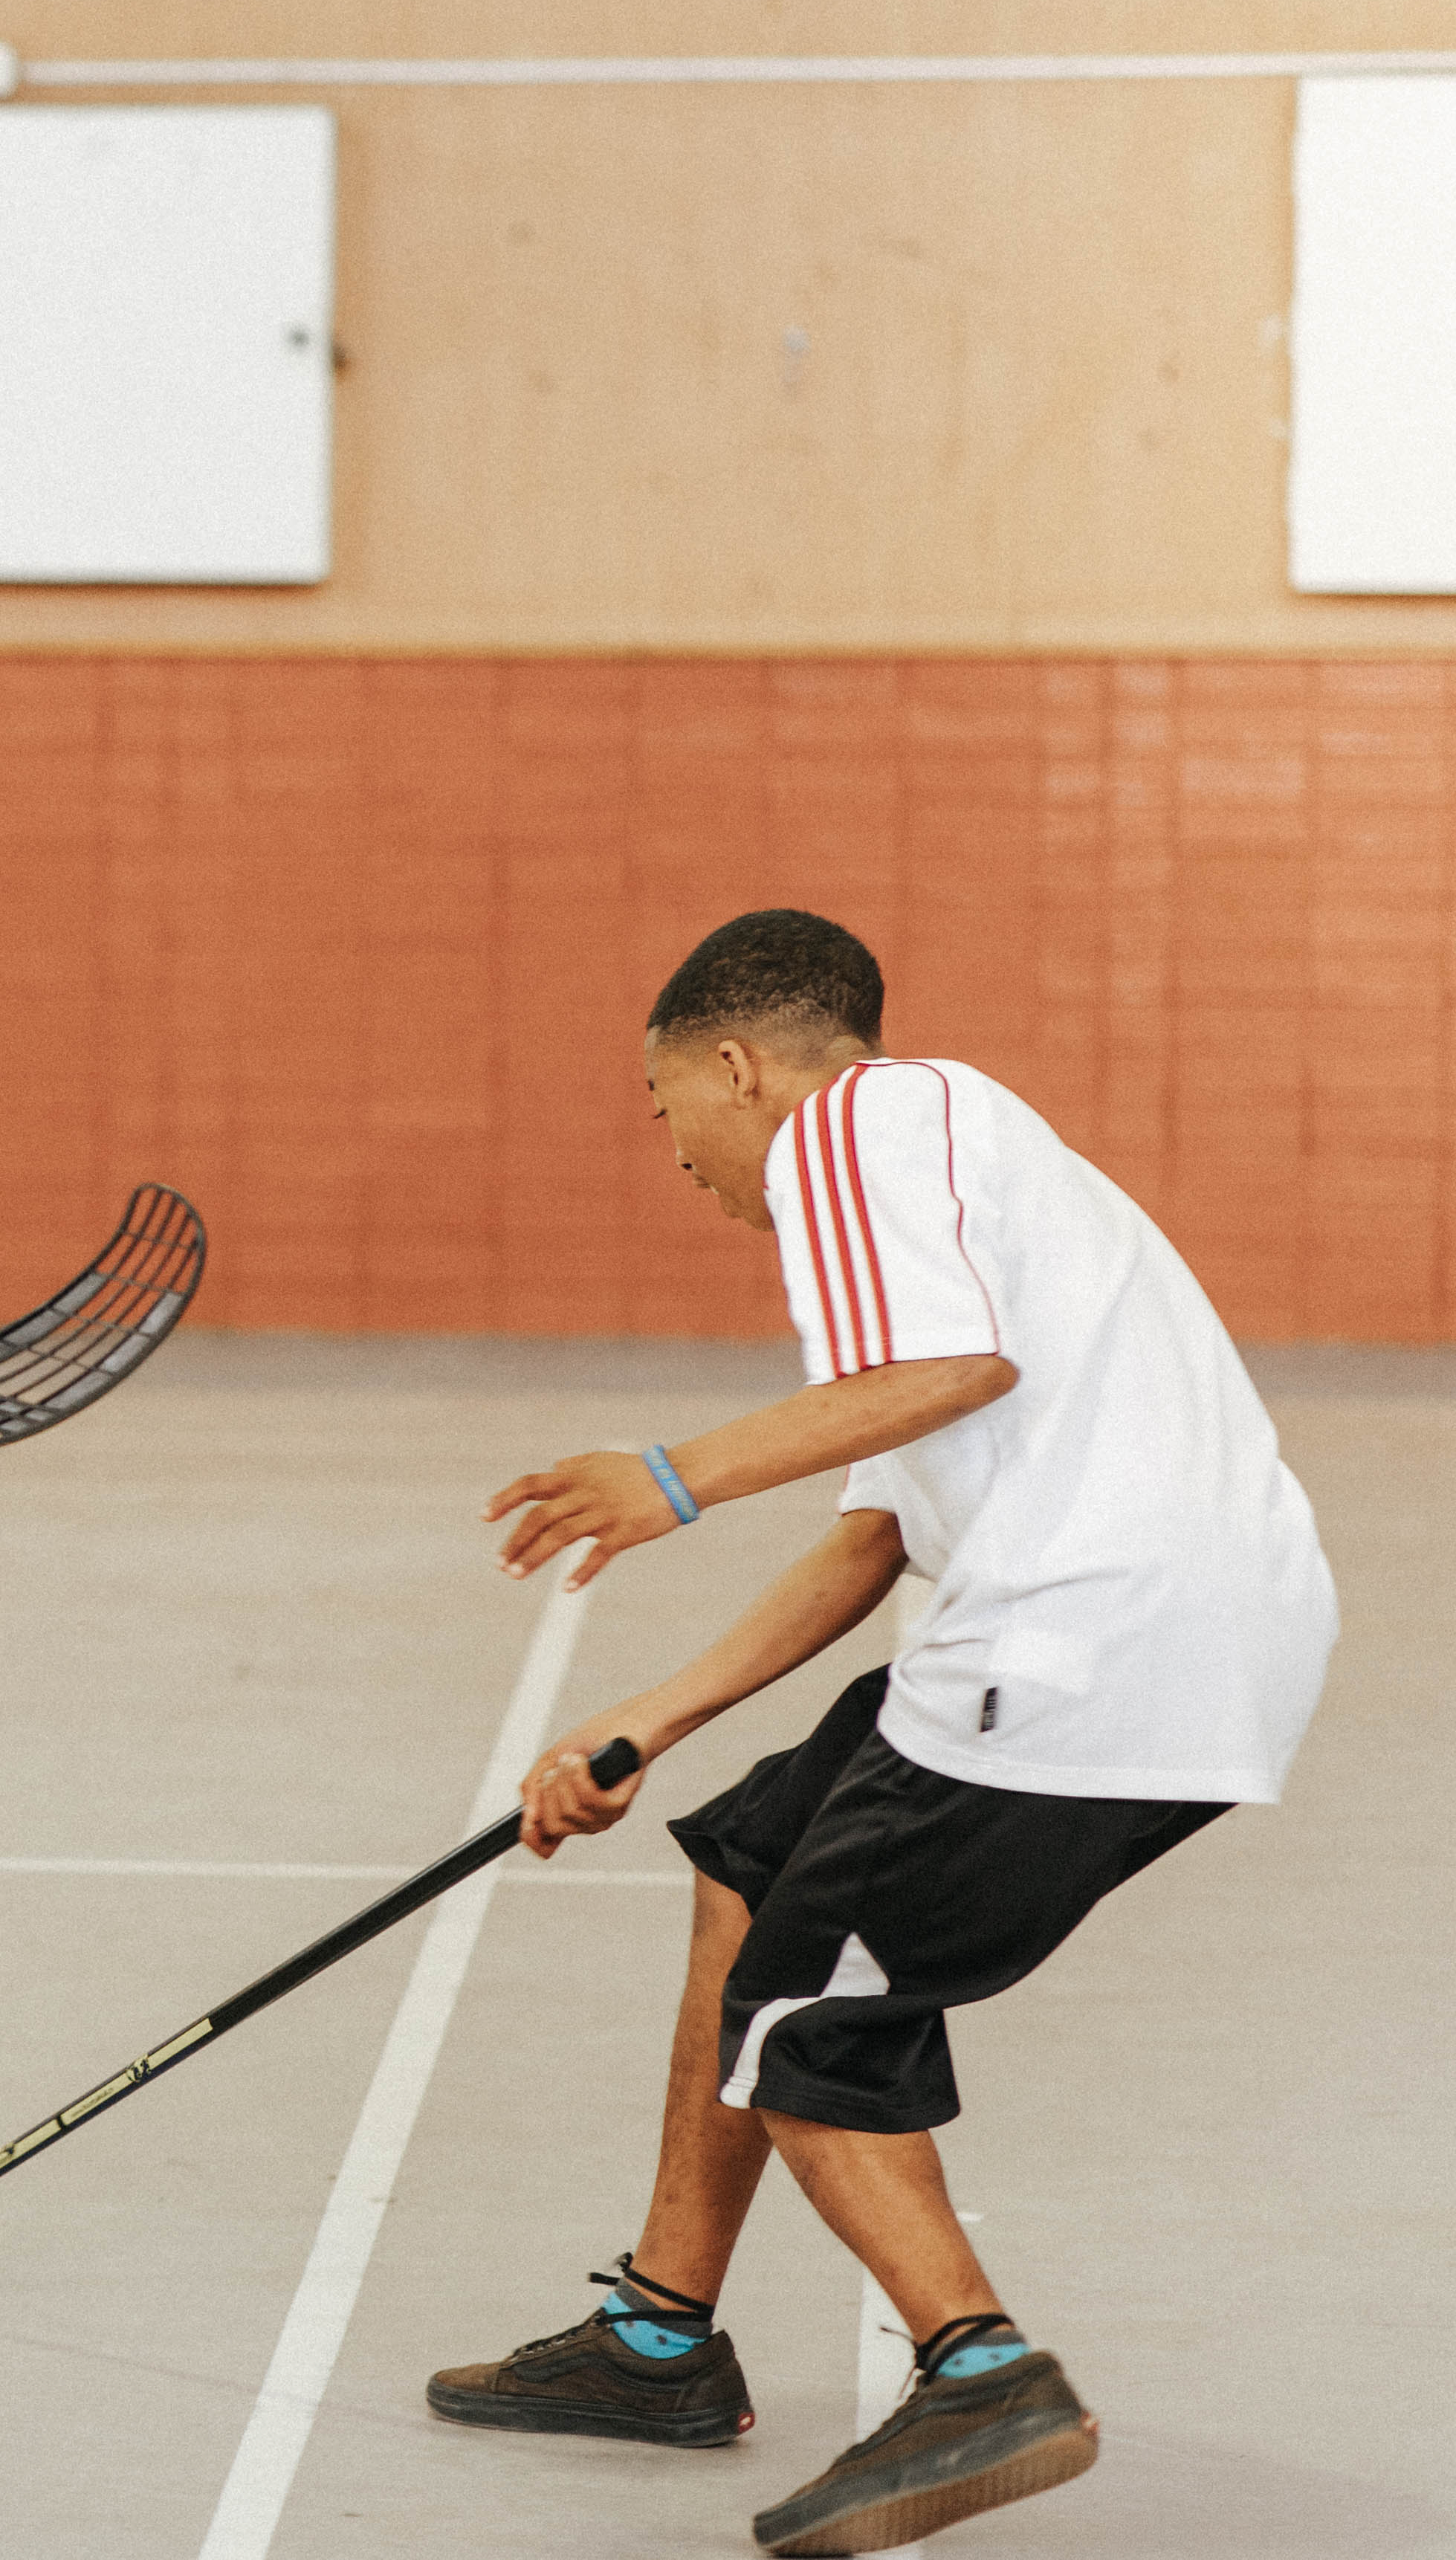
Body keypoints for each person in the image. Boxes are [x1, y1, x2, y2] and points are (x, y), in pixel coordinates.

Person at [438, 909, 1332, 2555]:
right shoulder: (958, 1172)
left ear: (730, 1068)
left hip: (1089, 1641)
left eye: (665, 1116)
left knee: (800, 2016)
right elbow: (874, 1527)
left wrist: (671, 1471)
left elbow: (947, 1367)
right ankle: (656, 2336)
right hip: (1125, 1624)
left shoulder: (858, 1123)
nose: (679, 1157)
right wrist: (648, 1717)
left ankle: (974, 2368)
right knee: (750, 1854)